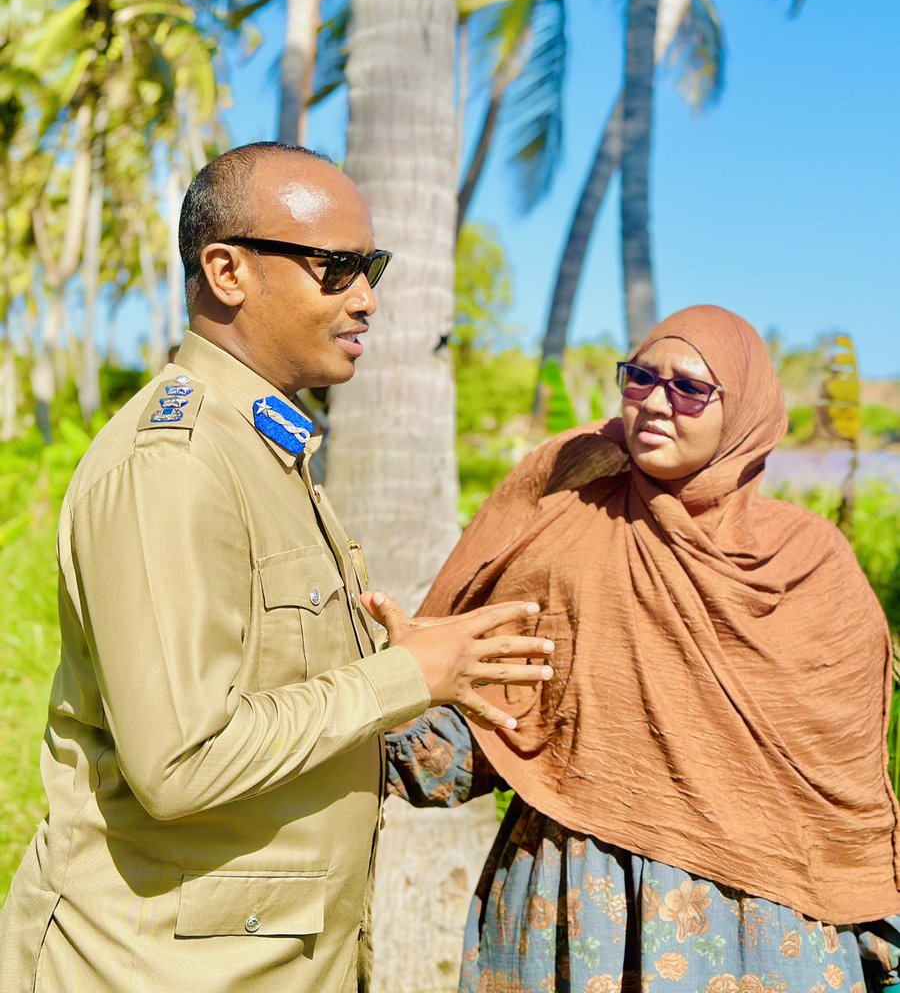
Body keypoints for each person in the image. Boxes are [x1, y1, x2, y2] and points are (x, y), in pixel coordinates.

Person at [0, 141, 555, 993]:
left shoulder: (267, 452)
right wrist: (404, 676)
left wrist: (398, 668)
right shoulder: (175, 465)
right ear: (227, 270)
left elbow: (268, 691)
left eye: (371, 267)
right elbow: (180, 763)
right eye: (336, 269)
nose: (366, 298)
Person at [379, 304, 900, 992]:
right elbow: (485, 713)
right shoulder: (572, 531)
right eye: (640, 377)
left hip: (761, 934)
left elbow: (845, 780)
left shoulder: (811, 566)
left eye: (688, 388)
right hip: (579, 908)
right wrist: (378, 695)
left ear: (743, 411)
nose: (655, 402)